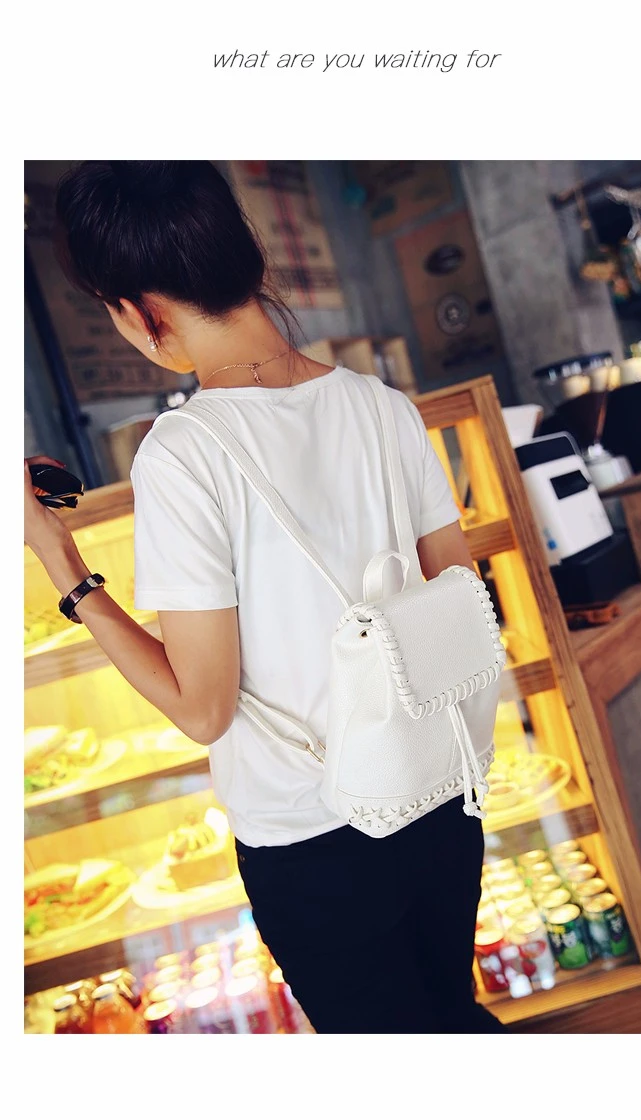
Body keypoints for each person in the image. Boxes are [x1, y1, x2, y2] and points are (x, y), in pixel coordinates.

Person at [24, 161, 507, 1035]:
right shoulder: (383, 407)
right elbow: (459, 593)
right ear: (244, 253)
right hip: (438, 799)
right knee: (447, 1015)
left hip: (313, 843)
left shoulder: (182, 452)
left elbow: (202, 708)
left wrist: (60, 559)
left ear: (137, 311)